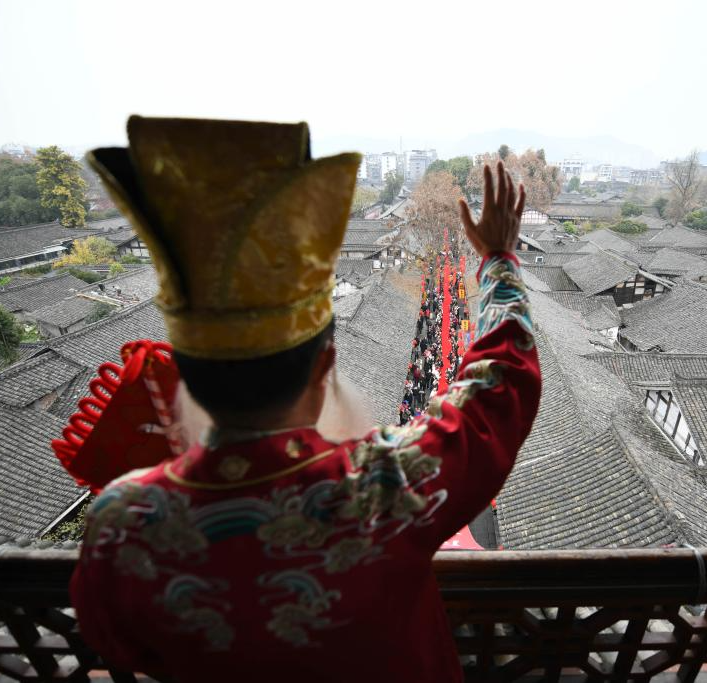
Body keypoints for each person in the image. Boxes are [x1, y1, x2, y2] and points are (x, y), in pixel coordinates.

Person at [67, 117, 540, 683]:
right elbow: (501, 387)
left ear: (186, 377)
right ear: (323, 365)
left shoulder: (122, 520)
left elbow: (117, 642)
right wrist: (498, 258)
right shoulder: (384, 487)